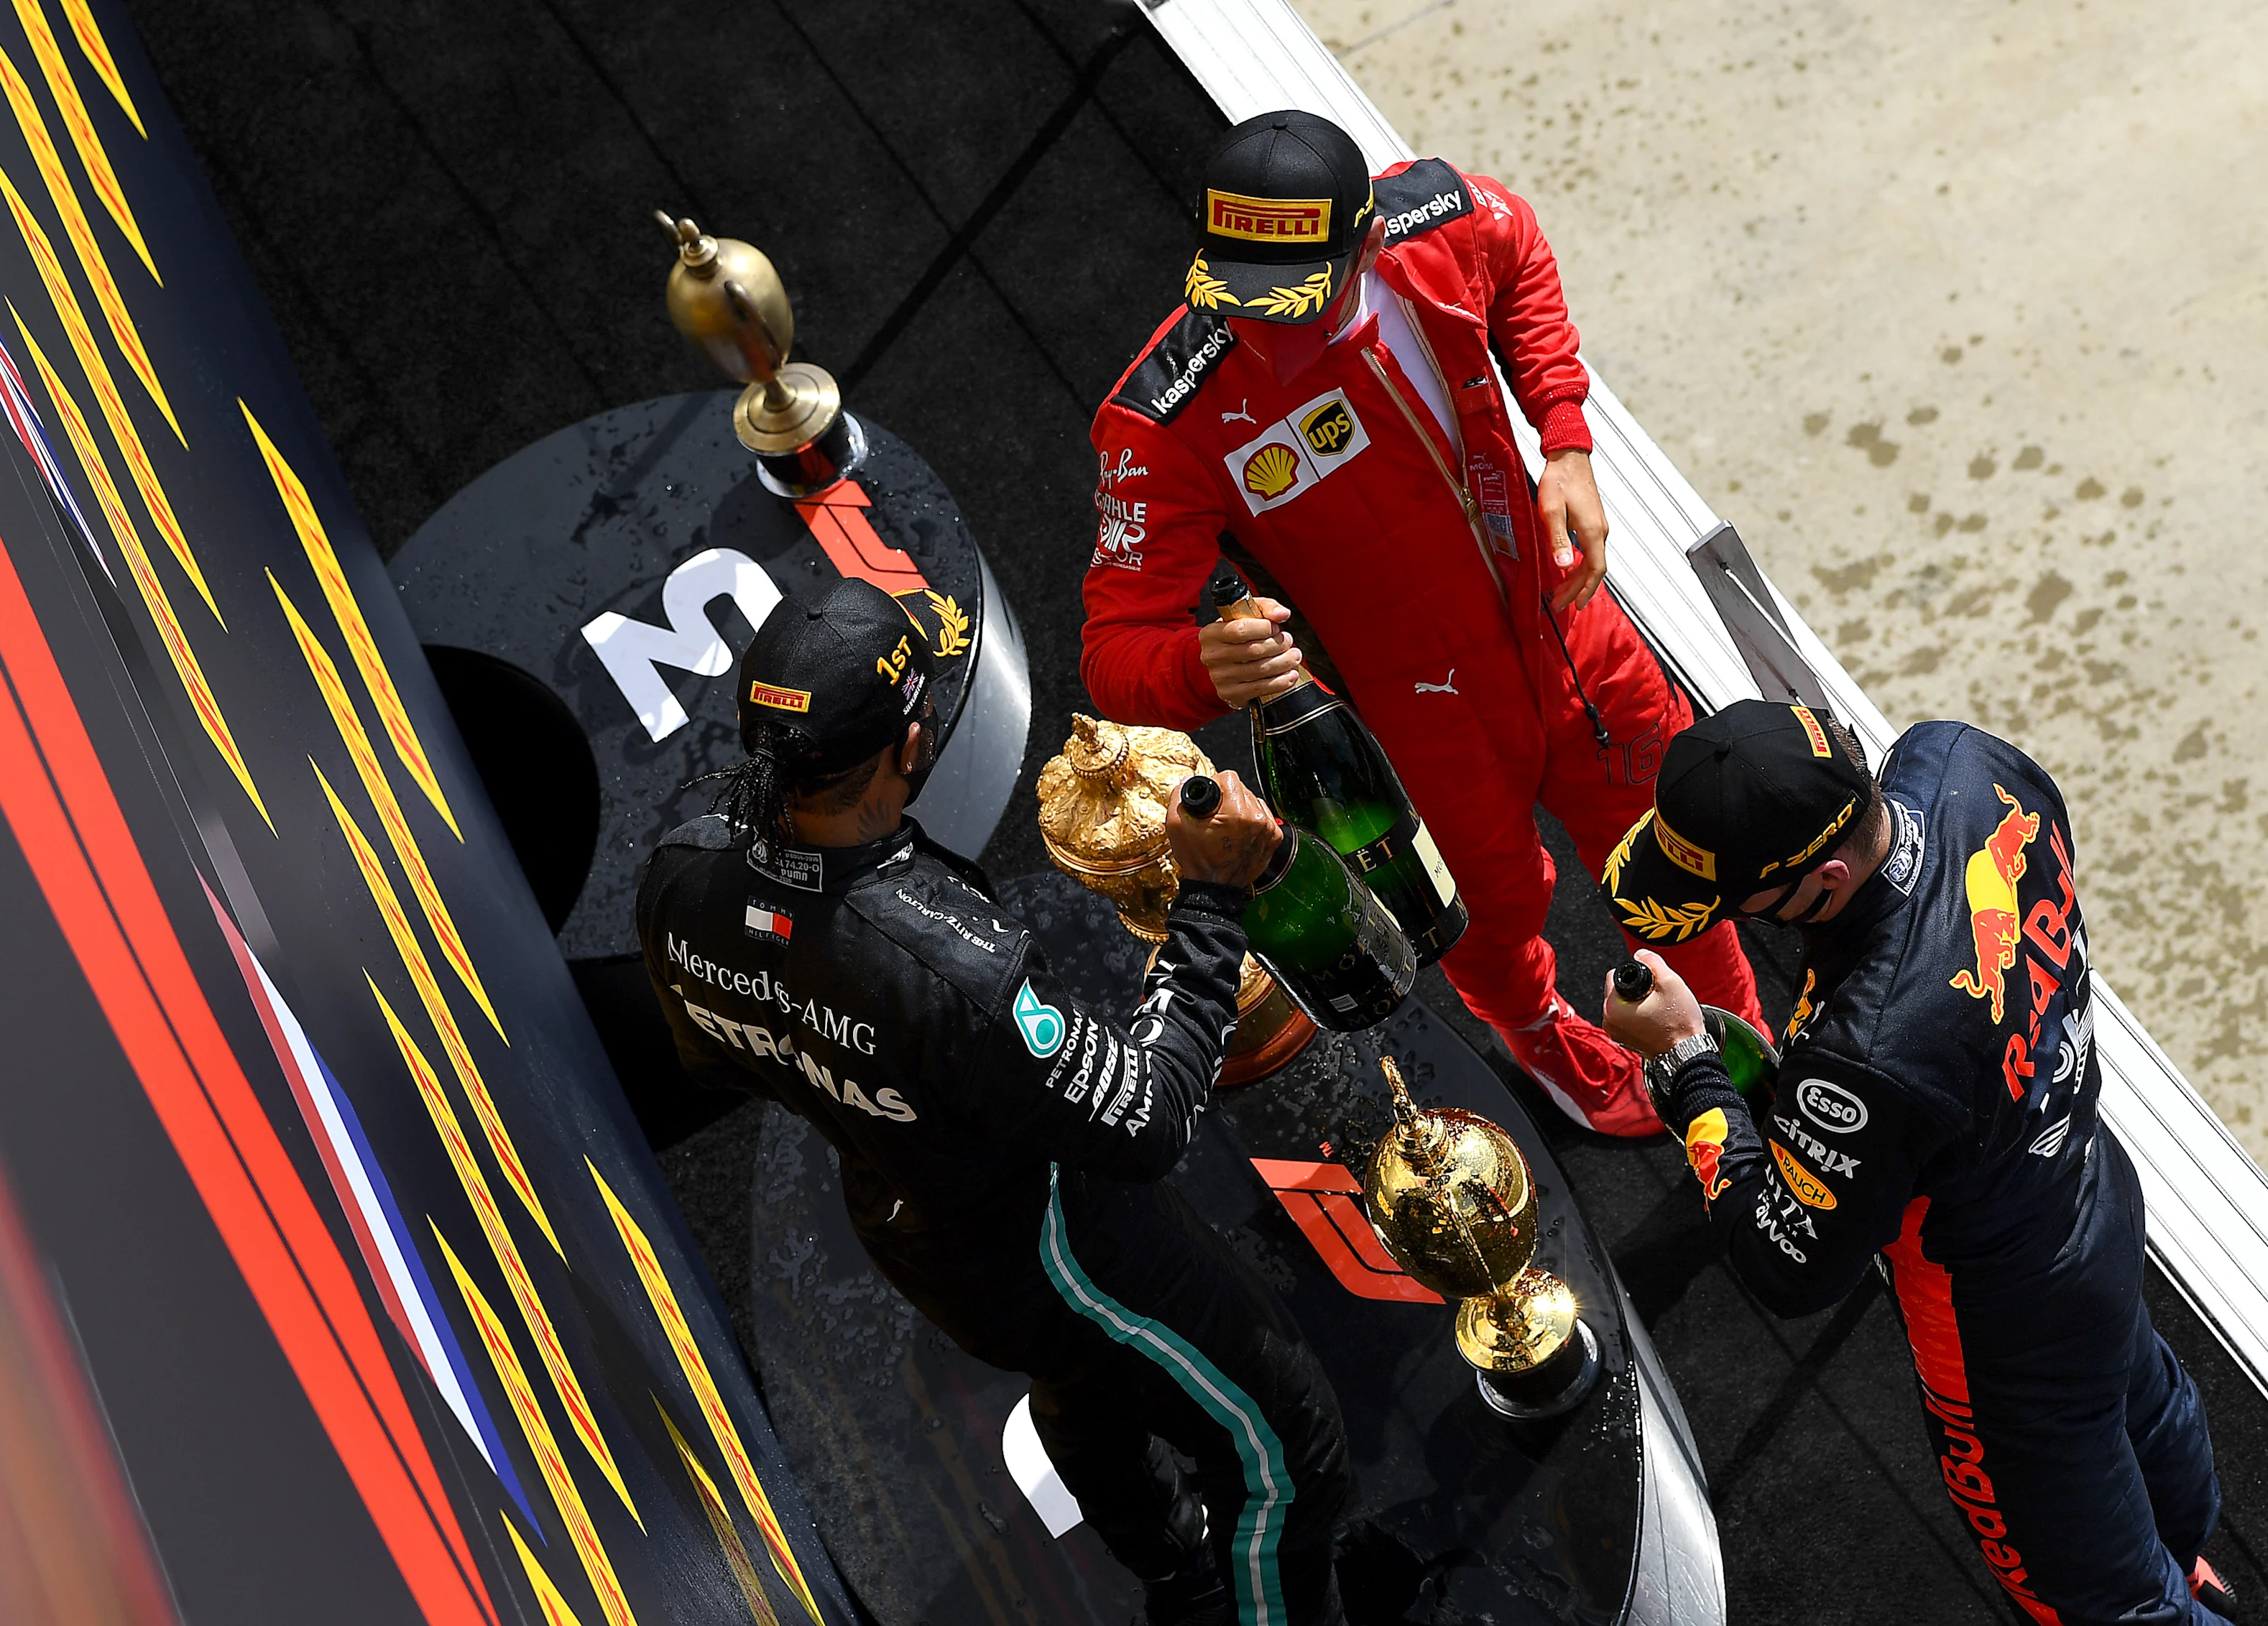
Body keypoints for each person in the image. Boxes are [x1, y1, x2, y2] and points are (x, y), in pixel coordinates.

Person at [637, 578, 1351, 1625]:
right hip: (1060, 1246)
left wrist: (872, 1087)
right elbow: (1147, 1119)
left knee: (1078, 1382)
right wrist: (1208, 900)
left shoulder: (681, 864)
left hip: (918, 1230)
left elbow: (717, 1062)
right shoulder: (942, 965)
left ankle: (1174, 1574)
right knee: (1292, 1451)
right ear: (909, 742)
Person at [1079, 108, 1762, 1139]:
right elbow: (1112, 655)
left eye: (1292, 298)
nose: (1264, 327)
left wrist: (1565, 434)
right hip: (1415, 718)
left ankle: (1738, 1050)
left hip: (1567, 626)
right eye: (1238, 293)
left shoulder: (1436, 216)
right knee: (1487, 917)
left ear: (1364, 242)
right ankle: (1546, 1041)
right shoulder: (1162, 419)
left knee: (1676, 845)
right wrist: (1202, 665)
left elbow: (1521, 243)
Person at [1600, 699, 2234, 1626]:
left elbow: (1786, 1264)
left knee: (2097, 1606)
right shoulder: (1962, 761)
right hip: (2090, 1187)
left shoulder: (1874, 1051)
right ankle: (2193, 1565)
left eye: (1743, 906)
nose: (1740, 924)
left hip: (1994, 1319)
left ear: (1821, 878)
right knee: (2144, 1401)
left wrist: (1688, 1065)